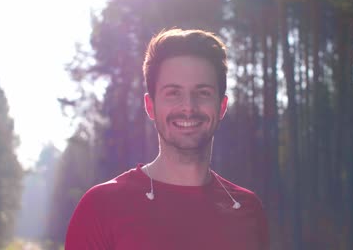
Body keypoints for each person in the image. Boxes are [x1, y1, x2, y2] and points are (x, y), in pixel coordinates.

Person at [64, 29, 269, 250]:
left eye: (203, 92)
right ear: (150, 106)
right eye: (173, 93)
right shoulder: (101, 208)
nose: (188, 107)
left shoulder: (248, 209)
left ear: (222, 106)